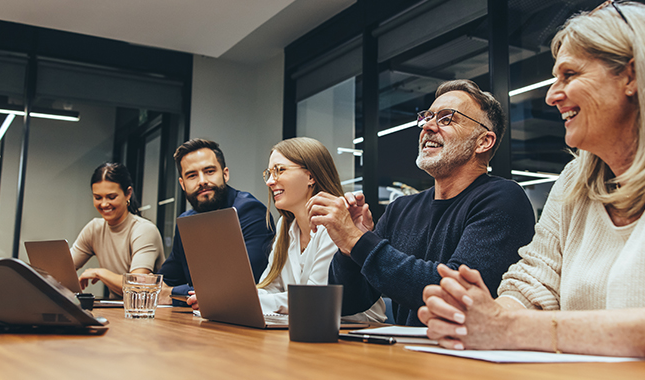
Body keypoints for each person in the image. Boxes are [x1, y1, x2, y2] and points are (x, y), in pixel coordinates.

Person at [419, 1, 645, 357]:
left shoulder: (501, 197)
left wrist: (505, 326)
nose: (552, 95)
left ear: (630, 76)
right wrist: (482, 314)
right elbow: (532, 282)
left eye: (570, 75)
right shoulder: (575, 181)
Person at [307, 79, 536, 326]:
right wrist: (348, 249)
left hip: (465, 357)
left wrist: (358, 240)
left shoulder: (503, 199)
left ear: (483, 142)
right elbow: (349, 303)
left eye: (446, 118)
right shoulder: (401, 209)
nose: (428, 126)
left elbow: (453, 295)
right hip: (406, 355)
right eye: (427, 117)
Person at [186, 137, 386, 321]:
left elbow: (314, 298)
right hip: (311, 327)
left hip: (360, 333)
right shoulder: (285, 225)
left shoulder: (338, 221)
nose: (270, 181)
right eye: (269, 173)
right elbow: (270, 287)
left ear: (311, 176)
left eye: (279, 170)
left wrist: (233, 300)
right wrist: (224, 297)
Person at [158, 138, 275, 304]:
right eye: (192, 175)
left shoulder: (251, 212)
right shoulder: (186, 221)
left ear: (225, 174)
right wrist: (157, 288)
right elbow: (165, 280)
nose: (202, 181)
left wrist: (171, 294)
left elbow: (240, 285)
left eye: (209, 171)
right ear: (182, 184)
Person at [71, 162, 164, 298]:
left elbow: (137, 287)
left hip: (148, 313)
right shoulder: (94, 229)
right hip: (116, 310)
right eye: (98, 197)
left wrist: (99, 273)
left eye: (111, 197)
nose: (103, 204)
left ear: (128, 194)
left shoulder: (144, 230)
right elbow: (63, 269)